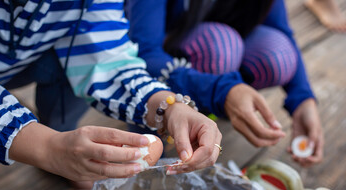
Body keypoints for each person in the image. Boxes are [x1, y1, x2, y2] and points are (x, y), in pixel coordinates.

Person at [0, 0, 222, 187]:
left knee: (71, 58)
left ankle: (63, 140)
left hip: (22, 59)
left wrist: (168, 107)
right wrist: (45, 147)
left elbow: (106, 54)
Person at [124, 0, 324, 166]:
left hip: (219, 46)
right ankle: (154, 124)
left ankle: (212, 107)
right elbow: (144, 52)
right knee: (221, 46)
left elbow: (279, 28)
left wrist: (302, 100)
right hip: (170, 52)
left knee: (278, 55)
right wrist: (223, 90)